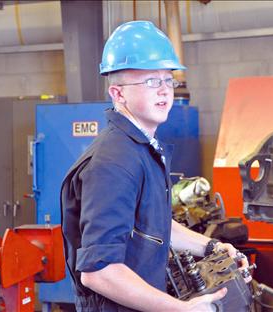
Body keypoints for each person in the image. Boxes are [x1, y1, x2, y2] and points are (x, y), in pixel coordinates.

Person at [61, 20, 249, 311]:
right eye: (150, 81)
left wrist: (209, 246)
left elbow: (155, 224)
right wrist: (182, 309)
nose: (164, 90)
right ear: (118, 94)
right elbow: (99, 272)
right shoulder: (112, 162)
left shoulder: (142, 149)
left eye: (167, 79)